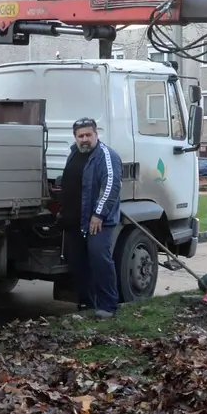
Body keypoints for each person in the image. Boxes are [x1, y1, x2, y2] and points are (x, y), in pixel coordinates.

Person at [58, 117, 122, 319]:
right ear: (75, 137)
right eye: (80, 136)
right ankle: (87, 303)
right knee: (78, 263)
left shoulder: (106, 156)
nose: (84, 139)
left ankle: (108, 306)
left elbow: (111, 186)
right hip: (74, 220)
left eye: (88, 135)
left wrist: (99, 214)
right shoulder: (74, 153)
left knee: (100, 261)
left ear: (96, 134)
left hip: (97, 222)